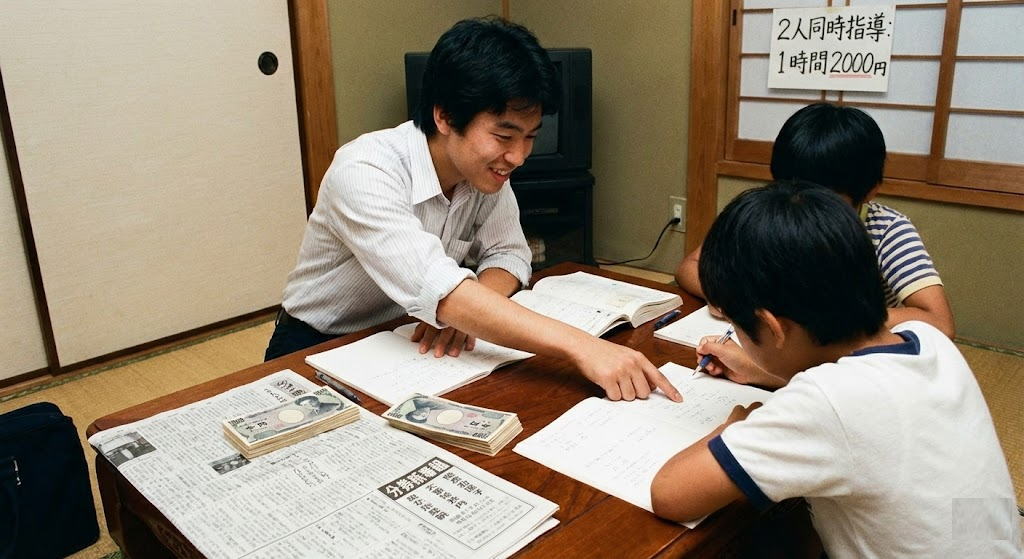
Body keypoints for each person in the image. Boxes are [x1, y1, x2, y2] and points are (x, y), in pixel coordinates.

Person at [265, 17, 680, 403]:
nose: (517, 156)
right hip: (319, 342)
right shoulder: (365, 169)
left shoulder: (484, 172)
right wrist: (582, 345)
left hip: (407, 337)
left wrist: (470, 309)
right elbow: (441, 290)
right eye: (504, 135)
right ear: (445, 116)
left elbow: (510, 254)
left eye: (530, 137)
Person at [651, 181, 1019, 558]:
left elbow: (670, 493)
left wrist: (732, 430)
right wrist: (762, 372)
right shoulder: (927, 339)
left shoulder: (825, 404)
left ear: (773, 328)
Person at [675, 102, 955, 341]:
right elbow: (691, 267)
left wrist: (830, 320)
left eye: (825, 199)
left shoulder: (887, 230)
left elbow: (939, 322)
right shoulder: (768, 214)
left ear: (869, 190)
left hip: (856, 360)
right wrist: (728, 296)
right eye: (792, 191)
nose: (804, 209)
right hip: (776, 350)